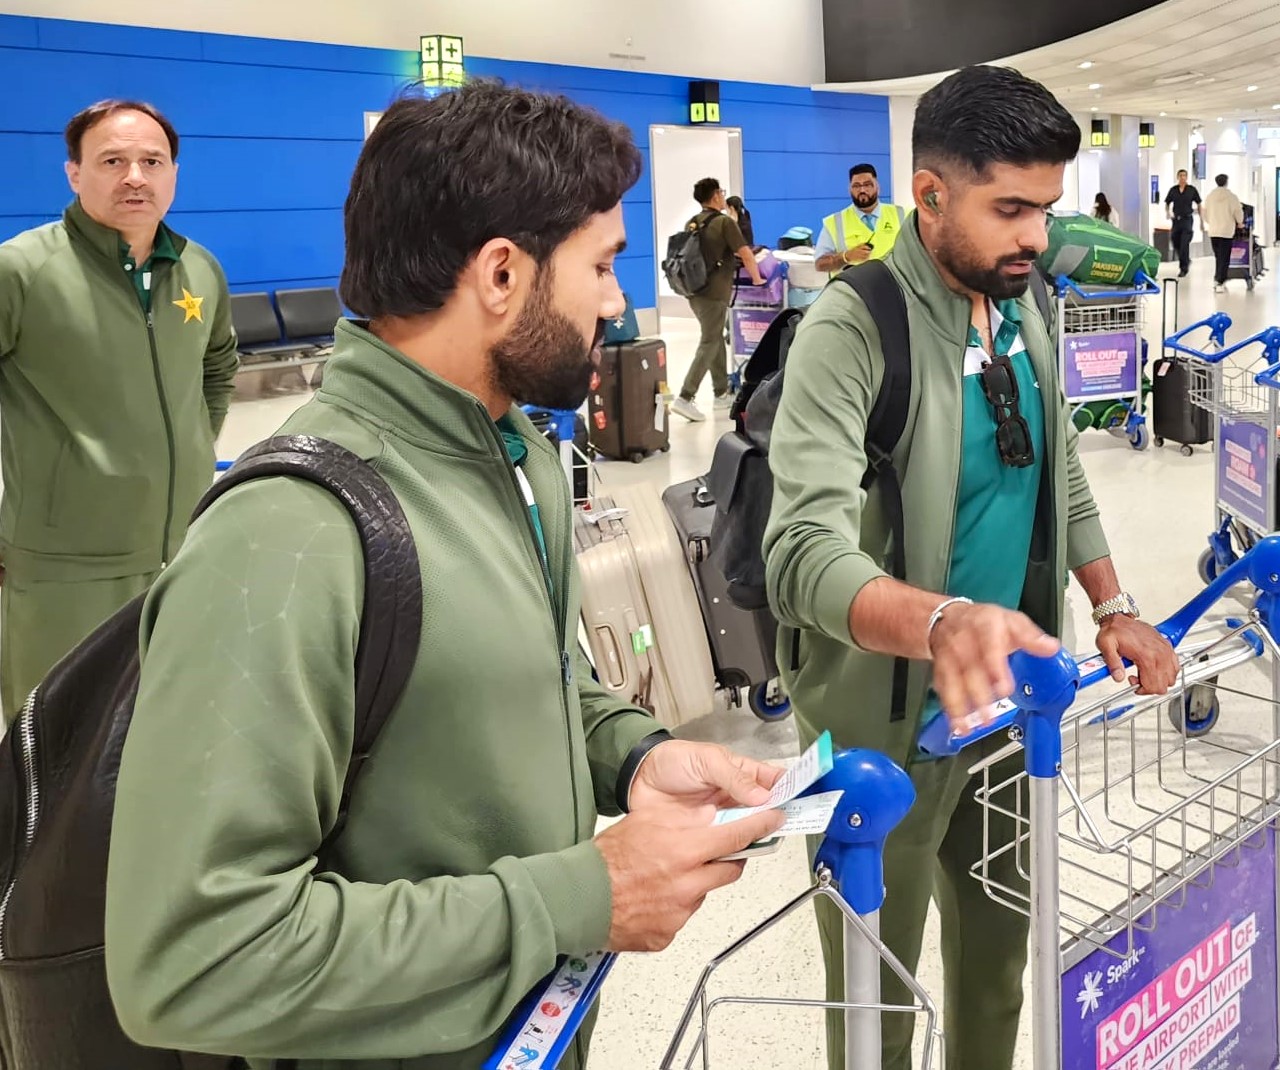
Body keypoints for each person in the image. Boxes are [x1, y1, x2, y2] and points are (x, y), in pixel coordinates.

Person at [103, 83, 785, 1070]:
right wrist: (577, 896)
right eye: (600, 266)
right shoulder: (288, 533)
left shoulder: (515, 458)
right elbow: (190, 962)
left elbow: (522, 677)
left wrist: (634, 756)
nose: (615, 302)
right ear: (501, 272)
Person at [763, 65, 1178, 1070]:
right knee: (875, 1002)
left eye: (1045, 207)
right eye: (1010, 209)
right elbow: (798, 555)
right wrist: (941, 621)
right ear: (930, 195)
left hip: (1006, 710)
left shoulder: (1023, 301)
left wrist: (1111, 603)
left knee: (997, 973)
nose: (1036, 235)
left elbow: (1058, 469)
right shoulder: (852, 327)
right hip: (875, 734)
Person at [0, 99, 238, 720]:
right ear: (74, 173)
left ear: (174, 173)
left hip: (184, 549)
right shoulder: (21, 270)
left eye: (152, 161)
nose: (136, 177)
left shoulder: (199, 269)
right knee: (58, 738)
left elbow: (218, 366)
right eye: (112, 161)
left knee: (168, 724)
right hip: (65, 565)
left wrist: (194, 446)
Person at [671, 178, 765, 423]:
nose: (723, 196)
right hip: (714, 293)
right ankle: (685, 397)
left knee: (714, 339)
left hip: (694, 292)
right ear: (714, 196)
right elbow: (745, 253)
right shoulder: (724, 222)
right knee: (709, 341)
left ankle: (721, 392)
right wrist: (758, 280)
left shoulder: (693, 222)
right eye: (721, 192)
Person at [814, 163, 906, 274]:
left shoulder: (902, 214)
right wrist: (846, 257)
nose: (862, 190)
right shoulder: (835, 222)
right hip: (851, 285)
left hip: (892, 284)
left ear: (877, 187)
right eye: (856, 186)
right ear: (850, 189)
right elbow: (820, 264)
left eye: (867, 185)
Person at [1203, 173, 1244, 294]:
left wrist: (1211, 222)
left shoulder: (1210, 197)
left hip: (1214, 231)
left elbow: (1205, 213)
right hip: (1226, 231)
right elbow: (1238, 211)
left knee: (1218, 257)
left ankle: (1217, 279)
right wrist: (1240, 222)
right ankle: (1220, 281)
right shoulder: (1232, 197)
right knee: (1224, 258)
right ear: (1226, 182)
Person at [1164, 168, 1202, 278]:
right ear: (1177, 177)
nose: (1182, 177)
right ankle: (1186, 260)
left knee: (1184, 243)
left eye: (1184, 175)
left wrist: (1202, 221)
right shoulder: (1173, 190)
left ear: (1187, 177)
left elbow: (1199, 204)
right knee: (1175, 242)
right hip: (1176, 220)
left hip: (1187, 220)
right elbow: (1167, 202)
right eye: (1180, 175)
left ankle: (1183, 268)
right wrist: (1168, 212)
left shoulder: (1191, 190)